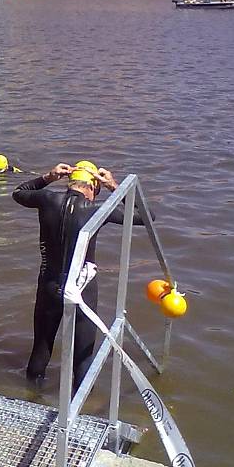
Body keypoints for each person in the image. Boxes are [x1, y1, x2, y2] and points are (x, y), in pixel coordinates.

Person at [12, 160, 149, 394]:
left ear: (70, 183)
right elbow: (146, 217)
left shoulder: (47, 200)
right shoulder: (97, 210)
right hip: (82, 290)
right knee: (83, 358)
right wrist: (114, 186)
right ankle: (81, 412)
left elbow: (19, 193)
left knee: (41, 349)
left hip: (49, 285)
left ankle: (31, 398)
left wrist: (48, 176)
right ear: (93, 187)